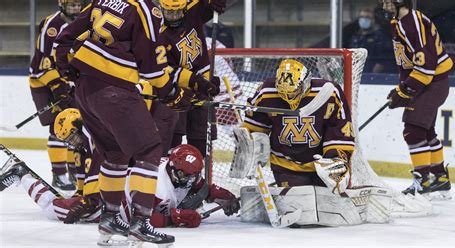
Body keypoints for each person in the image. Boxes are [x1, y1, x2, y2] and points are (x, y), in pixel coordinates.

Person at [53, 0, 202, 245]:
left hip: (85, 90)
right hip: (114, 90)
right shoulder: (146, 9)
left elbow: (64, 37)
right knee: (149, 149)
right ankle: (140, 223)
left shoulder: (104, 0)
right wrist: (171, 94)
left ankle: (109, 218)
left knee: (116, 153)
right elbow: (152, 67)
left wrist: (67, 69)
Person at [0, 141, 239, 231]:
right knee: (54, 209)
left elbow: (201, 186)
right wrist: (178, 217)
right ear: (172, 169)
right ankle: (21, 174)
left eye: (192, 176)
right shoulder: (156, 181)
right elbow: (146, 219)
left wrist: (223, 196)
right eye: (184, 176)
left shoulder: (182, 171)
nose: (189, 181)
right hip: (110, 203)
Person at [239, 59, 355, 192]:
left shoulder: (329, 92)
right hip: (284, 164)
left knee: (327, 206)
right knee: (298, 207)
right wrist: (249, 143)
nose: (289, 98)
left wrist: (334, 157)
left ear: (306, 82)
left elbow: (340, 127)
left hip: (322, 164)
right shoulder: (266, 92)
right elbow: (255, 126)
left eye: (294, 92)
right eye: (284, 92)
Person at [380, 0, 454, 198]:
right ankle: (439, 178)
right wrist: (402, 88)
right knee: (426, 130)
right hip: (428, 83)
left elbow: (426, 67)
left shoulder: (411, 23)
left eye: (387, 1)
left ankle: (423, 180)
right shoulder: (403, 21)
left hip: (431, 83)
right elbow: (413, 64)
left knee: (412, 132)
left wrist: (405, 90)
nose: (383, 5)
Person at [154, 0, 226, 156]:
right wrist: (197, 82)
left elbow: (210, 5)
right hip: (176, 90)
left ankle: (197, 177)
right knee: (172, 139)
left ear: (184, 9)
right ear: (161, 9)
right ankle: (166, 177)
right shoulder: (156, 31)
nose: (173, 17)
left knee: (201, 139)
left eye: (177, 12)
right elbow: (165, 69)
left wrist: (216, 3)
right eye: (168, 12)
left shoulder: (193, 10)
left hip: (201, 84)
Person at [28, 0, 85, 191]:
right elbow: (44, 64)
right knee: (57, 125)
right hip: (44, 81)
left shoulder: (84, 21)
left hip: (66, 80)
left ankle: (73, 171)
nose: (76, 9)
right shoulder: (53, 26)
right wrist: (58, 87)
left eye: (78, 5)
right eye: (72, 6)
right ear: (62, 6)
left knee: (76, 123)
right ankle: (59, 175)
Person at [347, 7, 393, 73]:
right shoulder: (356, 37)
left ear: (373, 19)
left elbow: (383, 60)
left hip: (373, 76)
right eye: (362, 17)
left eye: (367, 17)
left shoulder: (380, 37)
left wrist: (372, 75)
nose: (364, 19)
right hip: (356, 74)